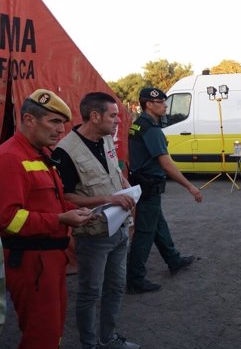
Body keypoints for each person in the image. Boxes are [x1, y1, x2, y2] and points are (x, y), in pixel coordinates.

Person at [0, 89, 94, 349]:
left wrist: (75, 210)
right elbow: (8, 220)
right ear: (29, 120)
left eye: (62, 123)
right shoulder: (10, 157)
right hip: (32, 263)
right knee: (42, 336)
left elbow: (51, 199)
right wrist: (61, 219)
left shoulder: (38, 153)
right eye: (54, 121)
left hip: (49, 260)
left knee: (52, 331)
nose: (61, 130)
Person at [54, 92, 140, 349]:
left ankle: (109, 338)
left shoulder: (105, 140)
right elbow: (66, 196)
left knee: (116, 287)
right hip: (93, 234)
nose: (118, 122)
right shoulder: (65, 150)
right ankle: (89, 344)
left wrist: (127, 191)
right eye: (113, 116)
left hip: (119, 226)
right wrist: (110, 199)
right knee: (90, 292)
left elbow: (115, 173)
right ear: (95, 116)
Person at [127, 87, 203, 294]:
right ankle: (135, 279)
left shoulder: (138, 125)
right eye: (161, 102)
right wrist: (190, 186)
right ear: (149, 104)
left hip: (143, 184)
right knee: (145, 233)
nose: (165, 106)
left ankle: (173, 260)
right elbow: (166, 164)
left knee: (158, 225)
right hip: (149, 185)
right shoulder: (152, 129)